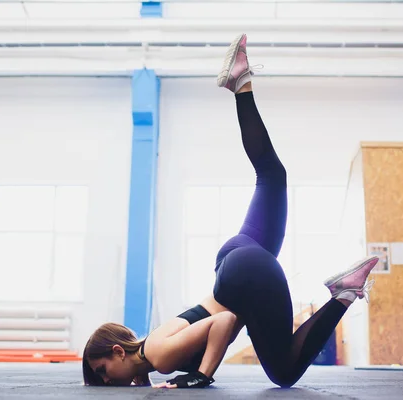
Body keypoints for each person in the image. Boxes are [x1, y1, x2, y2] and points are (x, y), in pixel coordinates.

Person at [82, 33, 379, 389]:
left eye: (103, 372)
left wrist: (202, 375)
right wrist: (143, 381)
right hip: (235, 261)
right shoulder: (151, 349)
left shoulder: (158, 355)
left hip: (247, 277)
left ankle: (344, 293)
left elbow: (222, 324)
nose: (108, 382)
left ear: (118, 352)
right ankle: (241, 82)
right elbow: (150, 367)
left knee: (284, 372)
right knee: (271, 176)